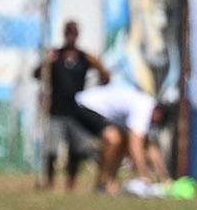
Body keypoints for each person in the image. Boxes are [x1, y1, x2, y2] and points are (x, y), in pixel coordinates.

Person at [39, 21, 106, 191]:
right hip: (56, 111)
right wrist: (46, 63)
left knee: (77, 151)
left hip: (77, 113)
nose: (71, 35)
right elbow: (37, 74)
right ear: (64, 33)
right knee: (51, 150)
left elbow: (106, 78)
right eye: (68, 32)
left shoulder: (84, 58)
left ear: (77, 35)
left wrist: (99, 65)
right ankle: (49, 183)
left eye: (74, 32)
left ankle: (71, 184)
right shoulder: (56, 56)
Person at [77, 80, 165, 192]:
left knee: (122, 141)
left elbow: (152, 147)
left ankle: (108, 182)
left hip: (99, 111)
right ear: (158, 113)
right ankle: (103, 182)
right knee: (115, 139)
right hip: (86, 105)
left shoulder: (148, 108)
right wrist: (145, 177)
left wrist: (165, 178)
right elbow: (135, 147)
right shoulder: (144, 108)